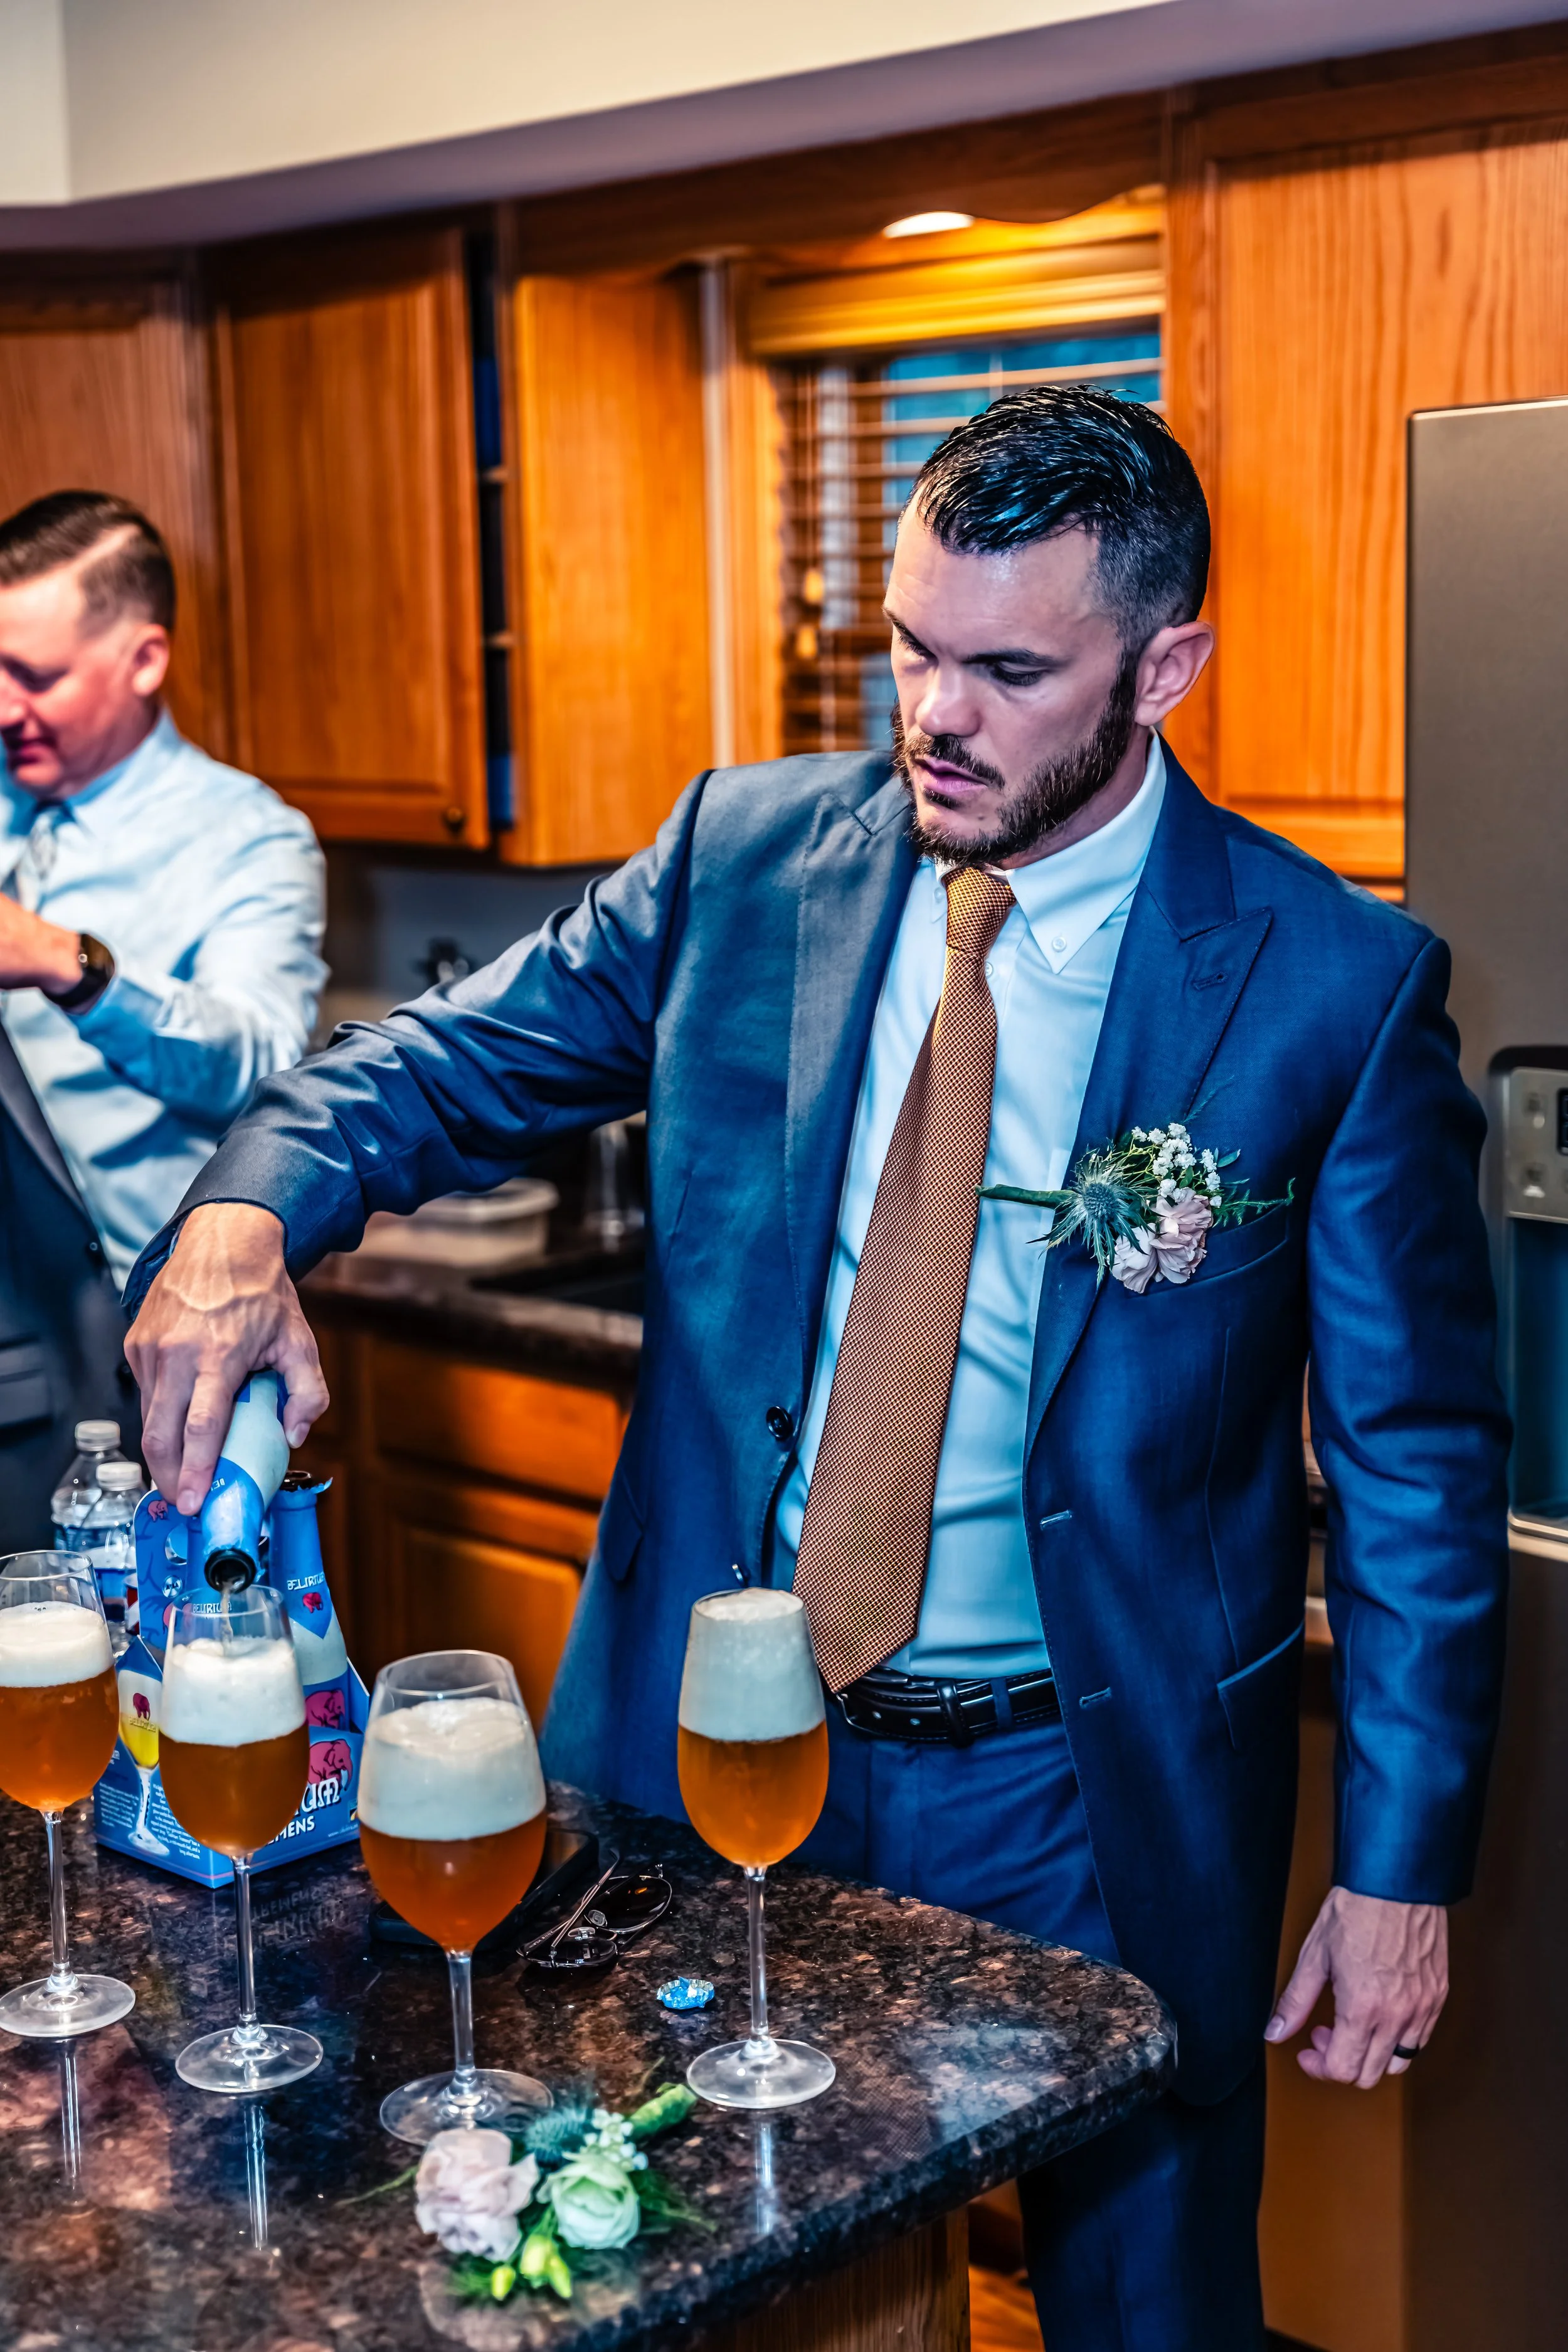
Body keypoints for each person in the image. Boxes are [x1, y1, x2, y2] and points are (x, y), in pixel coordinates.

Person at [120, 392, 1508, 2350]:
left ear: (1165, 665)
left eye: (1009, 669)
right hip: (725, 1743)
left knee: (1144, 2307)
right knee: (701, 2266)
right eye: (909, 647)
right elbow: (431, 1066)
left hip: (1086, 1792)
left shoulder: (1325, 983)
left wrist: (1394, 1867)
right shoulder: (744, 857)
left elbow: (1417, 1463)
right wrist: (244, 1215)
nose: (934, 711)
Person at [0, 490, 324, 1545]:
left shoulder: (248, 839)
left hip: (146, 1362)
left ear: (144, 659)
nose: (4, 705)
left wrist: (65, 962)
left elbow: (260, 1062)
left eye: (35, 676)